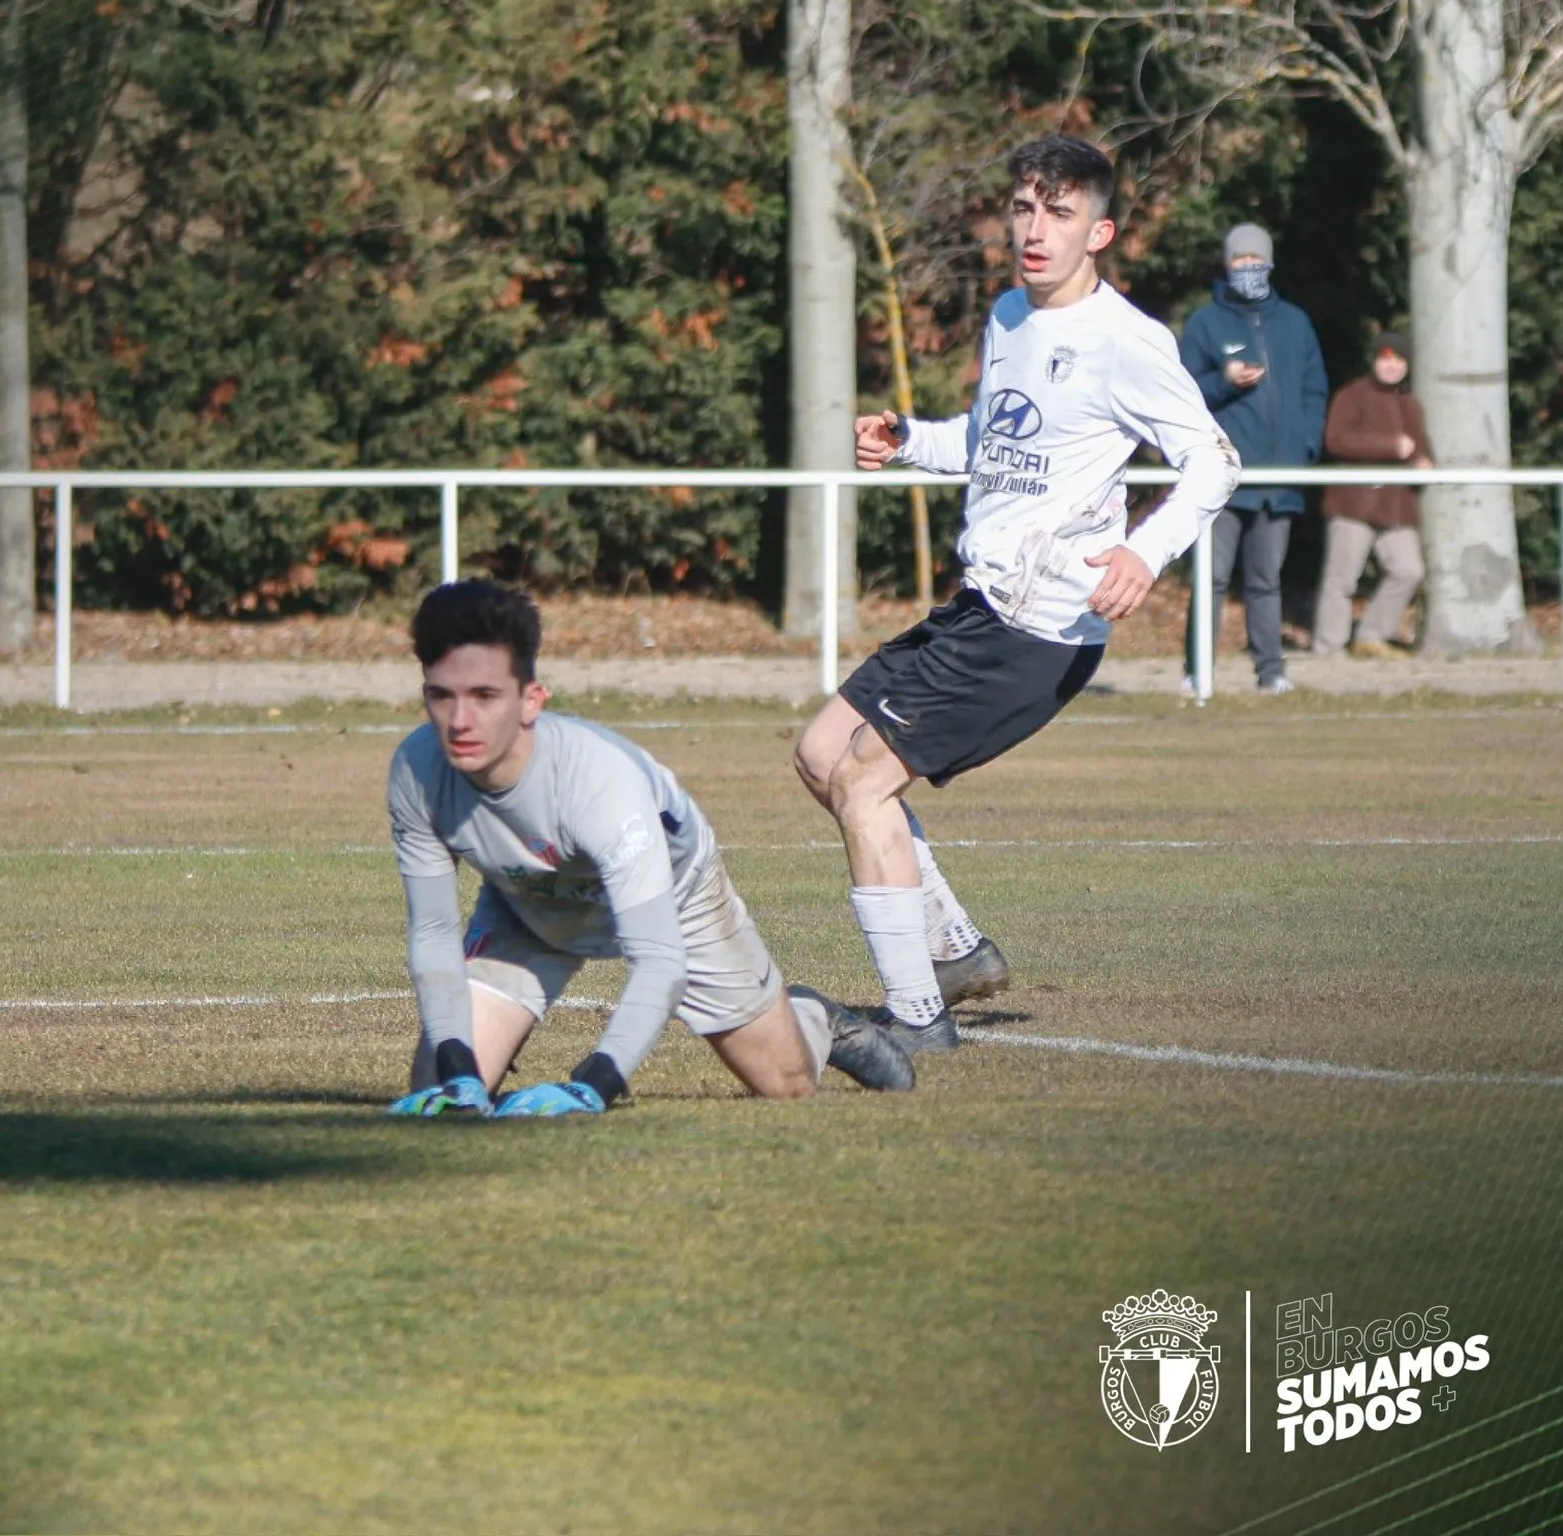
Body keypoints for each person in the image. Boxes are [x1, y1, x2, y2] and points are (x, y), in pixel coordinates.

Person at [793, 134, 1241, 1057]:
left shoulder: (1128, 342)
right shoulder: (1008, 315)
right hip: (983, 603)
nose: (1036, 231)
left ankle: (917, 1019)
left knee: (865, 784)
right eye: (1025, 209)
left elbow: (1214, 462)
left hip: (1041, 625)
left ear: (1099, 232)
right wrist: (910, 440)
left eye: (1061, 213)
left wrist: (1145, 551)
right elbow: (995, 443)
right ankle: (955, 951)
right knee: (820, 752)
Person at [385, 579, 917, 1118]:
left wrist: (593, 1086)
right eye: (442, 696)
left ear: (531, 701)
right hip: (527, 905)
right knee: (436, 1087)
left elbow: (660, 960)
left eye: (484, 697)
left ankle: (810, 1017)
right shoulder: (416, 770)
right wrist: (458, 1072)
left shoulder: (599, 784)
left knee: (787, 1083)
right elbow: (433, 932)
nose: (459, 721)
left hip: (676, 898)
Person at [1178, 223, 1329, 696]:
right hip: (1222, 477)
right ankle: (1197, 672)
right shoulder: (1205, 324)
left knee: (1266, 581)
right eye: (1240, 260)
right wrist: (1224, 381)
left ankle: (1271, 672)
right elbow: (1181, 393)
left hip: (1279, 477)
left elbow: (1314, 389)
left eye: (1255, 259)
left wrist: (1305, 446)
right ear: (1228, 265)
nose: (1248, 267)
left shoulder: (1296, 323)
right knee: (1213, 577)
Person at [1313, 332, 1431, 659]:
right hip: (1352, 503)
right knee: (1341, 580)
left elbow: (1420, 446)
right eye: (1386, 359)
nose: (1392, 366)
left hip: (1397, 506)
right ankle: (1329, 648)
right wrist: (1390, 446)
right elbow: (1336, 440)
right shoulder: (1352, 395)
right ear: (1374, 361)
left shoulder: (1410, 403)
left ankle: (1372, 635)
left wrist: (1423, 460)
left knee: (1409, 570)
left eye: (1399, 360)